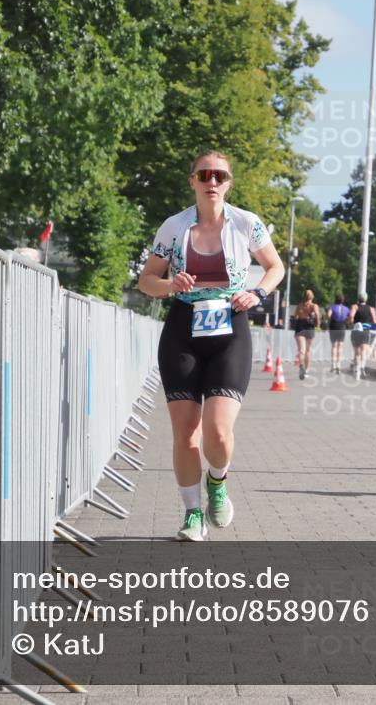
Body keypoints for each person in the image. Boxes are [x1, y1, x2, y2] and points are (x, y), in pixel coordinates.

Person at [138, 151, 284, 540]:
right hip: (183, 329)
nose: (212, 182)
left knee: (217, 432)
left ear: (229, 183)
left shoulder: (246, 223)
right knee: (186, 434)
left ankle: (217, 482)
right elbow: (146, 280)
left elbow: (276, 266)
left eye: (220, 175)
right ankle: (192, 513)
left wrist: (258, 293)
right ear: (193, 181)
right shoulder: (174, 227)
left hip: (230, 327)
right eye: (204, 175)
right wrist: (170, 284)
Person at [293, 289, 322, 380]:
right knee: (308, 351)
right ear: (312, 297)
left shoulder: (300, 306)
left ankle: (301, 365)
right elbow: (317, 315)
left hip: (300, 327)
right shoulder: (314, 306)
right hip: (309, 327)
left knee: (301, 350)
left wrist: (301, 315)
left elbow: (295, 317)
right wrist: (318, 324)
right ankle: (306, 370)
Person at [349, 293, 376, 379]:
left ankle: (356, 371)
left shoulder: (355, 307)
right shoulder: (371, 309)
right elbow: (374, 321)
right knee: (363, 352)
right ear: (366, 299)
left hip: (356, 330)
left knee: (357, 353)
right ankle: (361, 368)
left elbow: (351, 316)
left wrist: (351, 322)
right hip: (365, 331)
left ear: (358, 299)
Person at [327, 294, 351, 373]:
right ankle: (338, 365)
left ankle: (333, 365)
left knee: (334, 346)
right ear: (343, 300)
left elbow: (328, 315)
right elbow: (350, 317)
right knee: (340, 346)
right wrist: (347, 321)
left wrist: (331, 319)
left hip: (334, 326)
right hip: (342, 326)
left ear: (336, 299)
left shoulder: (332, 307)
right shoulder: (346, 308)